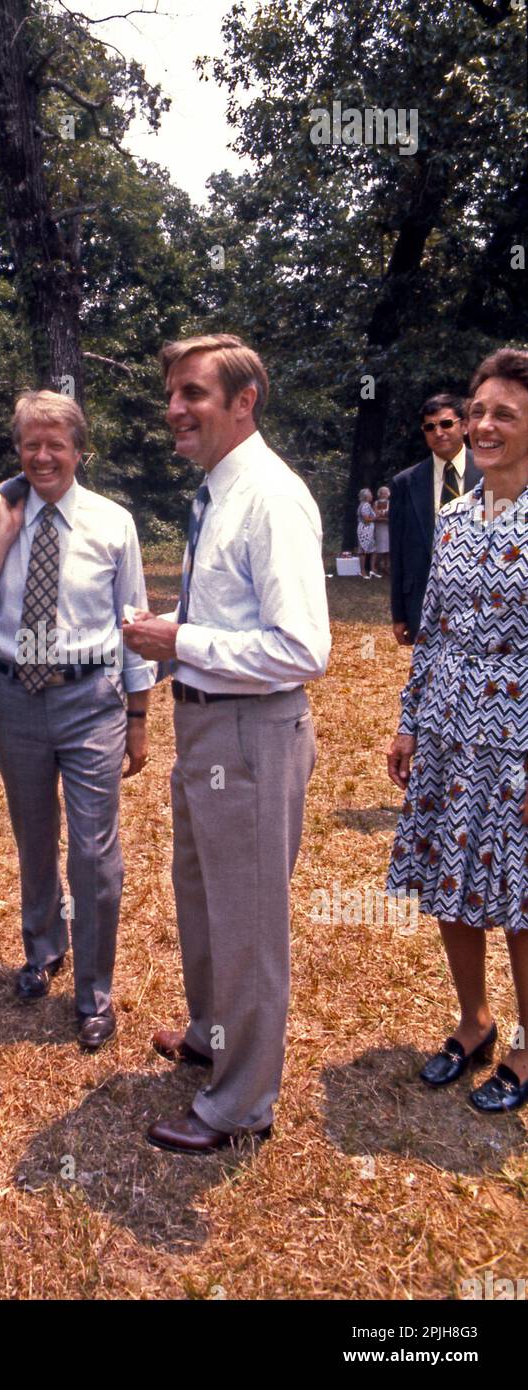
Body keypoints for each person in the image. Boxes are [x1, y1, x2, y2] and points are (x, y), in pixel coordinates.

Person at [123, 334, 331, 1152]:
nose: (176, 409)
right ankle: (214, 1036)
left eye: (194, 393)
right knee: (205, 895)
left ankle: (241, 1103)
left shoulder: (270, 498)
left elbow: (303, 649)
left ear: (244, 403)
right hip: (208, 725)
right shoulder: (218, 493)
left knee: (247, 921)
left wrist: (183, 640)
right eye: (172, 392)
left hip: (249, 730)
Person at [0, 390, 154, 1051]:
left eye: (55, 444)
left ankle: (94, 990)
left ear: (78, 451)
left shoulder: (112, 522)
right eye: (30, 444)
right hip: (15, 700)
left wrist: (140, 713)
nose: (42, 456)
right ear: (18, 450)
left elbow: (136, 622)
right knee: (34, 837)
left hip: (90, 699)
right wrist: (3, 538)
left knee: (94, 852)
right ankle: (43, 949)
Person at [386, 347, 528, 1113]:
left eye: (504, 413)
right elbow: (435, 632)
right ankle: (475, 1022)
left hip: (517, 747)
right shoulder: (454, 519)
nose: (482, 425)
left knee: (520, 898)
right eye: (478, 412)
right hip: (446, 734)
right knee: (453, 885)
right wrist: (410, 725)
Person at [389, 394, 478, 644]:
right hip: (423, 602)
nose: (438, 432)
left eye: (446, 424)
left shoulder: (490, 474)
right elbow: (397, 553)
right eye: (430, 427)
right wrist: (399, 613)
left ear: (464, 426)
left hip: (478, 601)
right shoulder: (405, 483)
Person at [357, 488, 378, 578]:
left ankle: (372, 569)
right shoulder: (365, 505)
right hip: (365, 529)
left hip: (369, 529)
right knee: (363, 550)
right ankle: (363, 571)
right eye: (370, 495)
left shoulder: (366, 505)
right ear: (366, 497)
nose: (372, 496)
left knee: (372, 549)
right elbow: (366, 519)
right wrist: (376, 517)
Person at [373, 486, 391, 577]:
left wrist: (383, 518)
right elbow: (375, 516)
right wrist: (383, 518)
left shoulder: (390, 503)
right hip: (379, 528)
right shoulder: (376, 503)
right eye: (383, 493)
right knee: (380, 547)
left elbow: (391, 516)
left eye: (386, 493)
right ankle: (377, 565)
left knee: (388, 548)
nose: (384, 494)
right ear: (379, 494)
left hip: (388, 528)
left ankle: (386, 566)